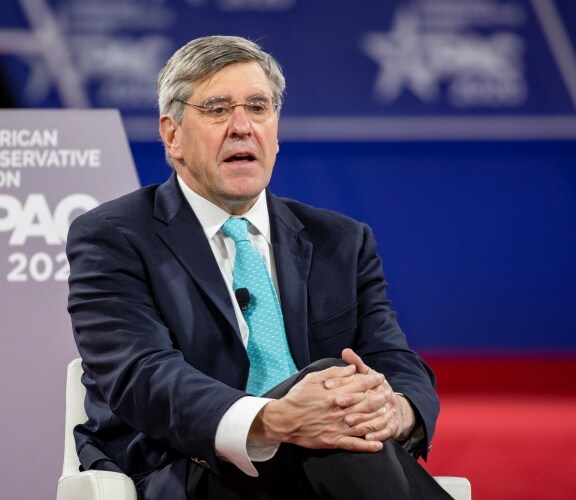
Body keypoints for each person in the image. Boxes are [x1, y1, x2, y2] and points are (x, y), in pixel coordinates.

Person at [66, 35, 451, 500]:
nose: (242, 126)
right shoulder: (114, 235)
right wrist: (276, 419)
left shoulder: (341, 240)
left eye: (258, 106)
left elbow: (394, 360)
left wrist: (397, 409)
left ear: (276, 129)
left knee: (334, 412)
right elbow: (142, 374)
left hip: (329, 464)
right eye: (217, 109)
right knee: (330, 396)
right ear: (172, 135)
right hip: (191, 467)